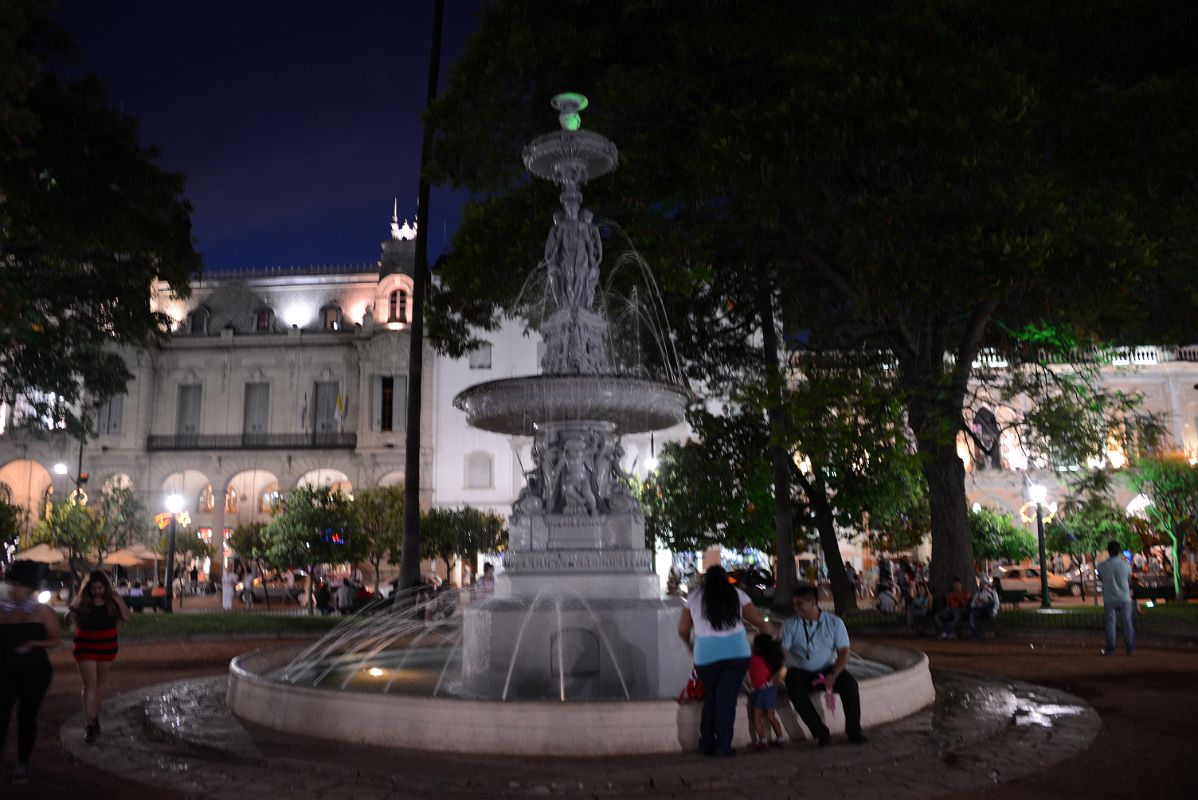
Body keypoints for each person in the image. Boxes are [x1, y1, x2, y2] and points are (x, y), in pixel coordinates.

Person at [677, 565, 772, 757]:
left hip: (705, 656)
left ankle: (706, 744)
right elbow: (757, 621)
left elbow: (683, 629)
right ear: (726, 579)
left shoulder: (694, 597)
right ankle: (723, 746)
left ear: (705, 580)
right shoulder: (737, 594)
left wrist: (689, 643)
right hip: (736, 654)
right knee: (726, 700)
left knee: (711, 697)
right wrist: (769, 635)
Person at [780, 584, 867, 746]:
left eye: (799, 604)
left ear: (812, 602)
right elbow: (782, 652)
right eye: (794, 604)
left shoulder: (835, 623)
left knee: (850, 685)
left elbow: (844, 653)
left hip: (828, 669)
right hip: (800, 672)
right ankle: (821, 732)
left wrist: (833, 674)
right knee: (795, 691)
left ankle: (854, 731)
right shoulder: (790, 624)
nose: (795, 608)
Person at [0, 560, 60, 786]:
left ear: (29, 587)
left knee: (27, 717)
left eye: (18, 585)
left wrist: (33, 643)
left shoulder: (42, 611)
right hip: (4, 668)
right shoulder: (3, 608)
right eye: (11, 584)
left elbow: (54, 639)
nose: (13, 589)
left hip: (34, 671)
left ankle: (22, 762)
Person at [66, 571, 131, 744]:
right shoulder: (82, 601)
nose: (97, 591)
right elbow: (67, 621)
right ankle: (89, 725)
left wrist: (120, 602)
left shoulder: (112, 601)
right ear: (88, 588)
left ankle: (94, 717)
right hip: (85, 645)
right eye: (93, 588)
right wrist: (73, 606)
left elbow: (127, 618)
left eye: (100, 587)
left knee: (100, 684)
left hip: (107, 645)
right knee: (89, 684)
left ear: (106, 587)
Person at [747, 633, 786, 749]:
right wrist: (774, 680)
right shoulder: (772, 658)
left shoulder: (752, 658)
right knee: (770, 717)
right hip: (770, 690)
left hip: (759, 691)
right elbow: (783, 670)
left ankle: (763, 741)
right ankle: (780, 738)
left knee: (757, 718)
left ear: (757, 647)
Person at [1098, 540, 1136, 656]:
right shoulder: (1126, 565)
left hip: (1109, 598)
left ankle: (1111, 648)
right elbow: (1129, 578)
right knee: (1127, 623)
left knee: (1110, 624)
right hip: (1124, 598)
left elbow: (1100, 578)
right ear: (1119, 551)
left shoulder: (1102, 566)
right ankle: (1130, 648)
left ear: (1108, 552)